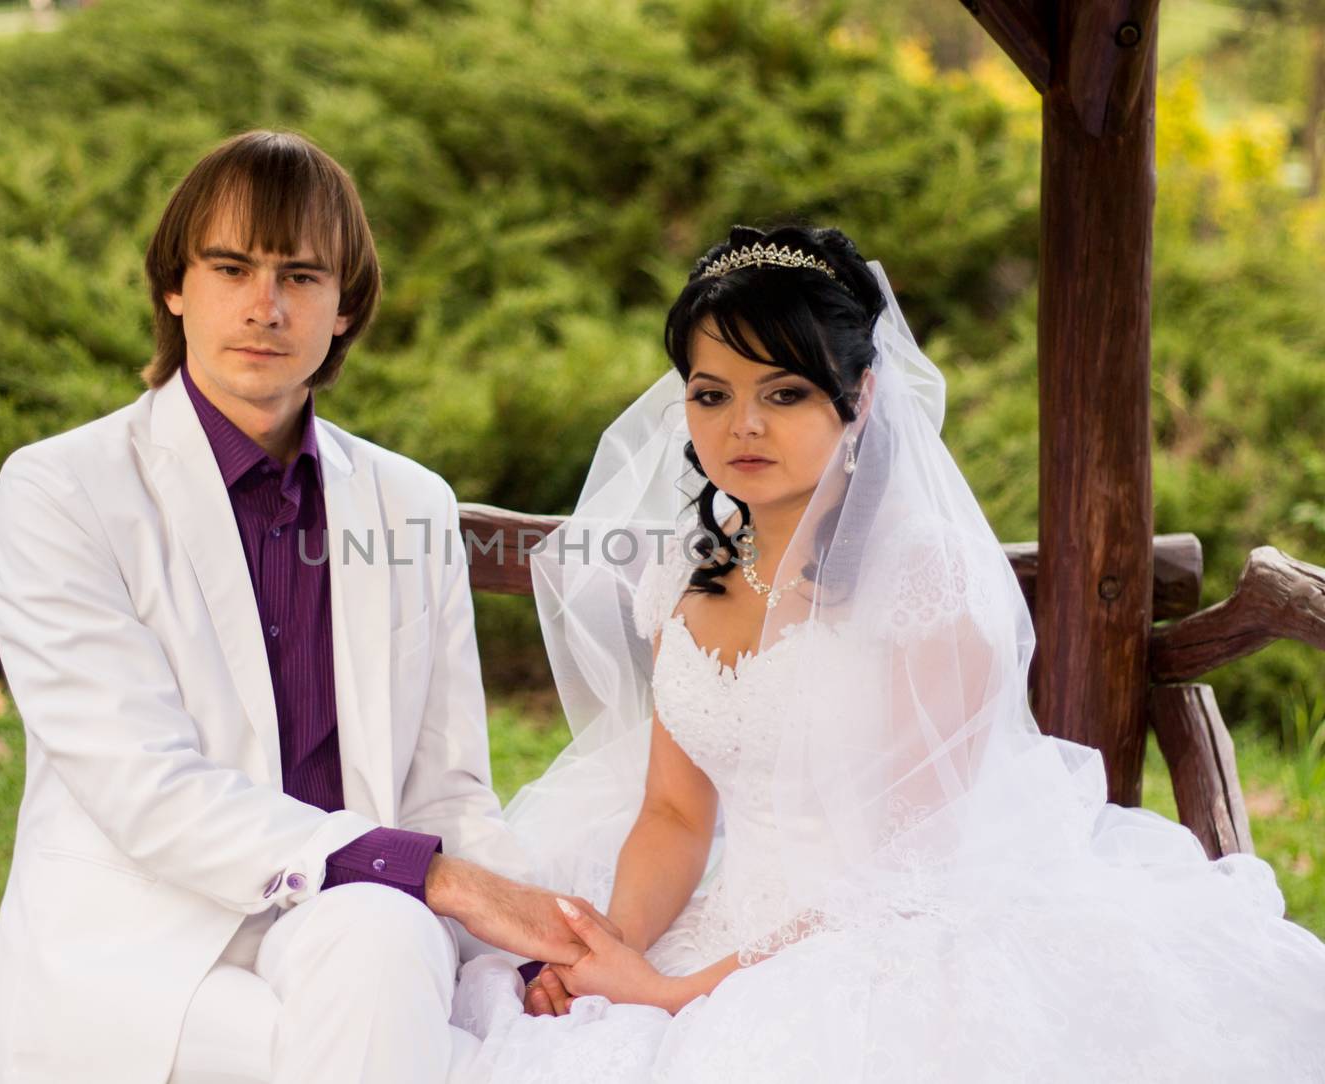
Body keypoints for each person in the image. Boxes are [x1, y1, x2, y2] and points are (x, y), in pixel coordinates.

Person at [451, 222, 1325, 1081]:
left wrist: (678, 996)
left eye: (784, 392)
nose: (742, 425)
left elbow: (905, 876)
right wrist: (614, 949)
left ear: (861, 395)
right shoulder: (685, 573)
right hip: (727, 922)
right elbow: (676, 815)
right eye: (711, 394)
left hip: (895, 941)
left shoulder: (927, 589)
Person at [0, 130, 608, 1084]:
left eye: (301, 277)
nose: (265, 307)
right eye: (231, 268)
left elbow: (448, 791)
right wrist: (429, 874)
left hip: (354, 924)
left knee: (390, 945)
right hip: (145, 938)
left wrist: (529, 937)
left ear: (344, 308)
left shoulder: (410, 503)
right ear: (174, 286)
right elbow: (146, 787)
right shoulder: (64, 489)